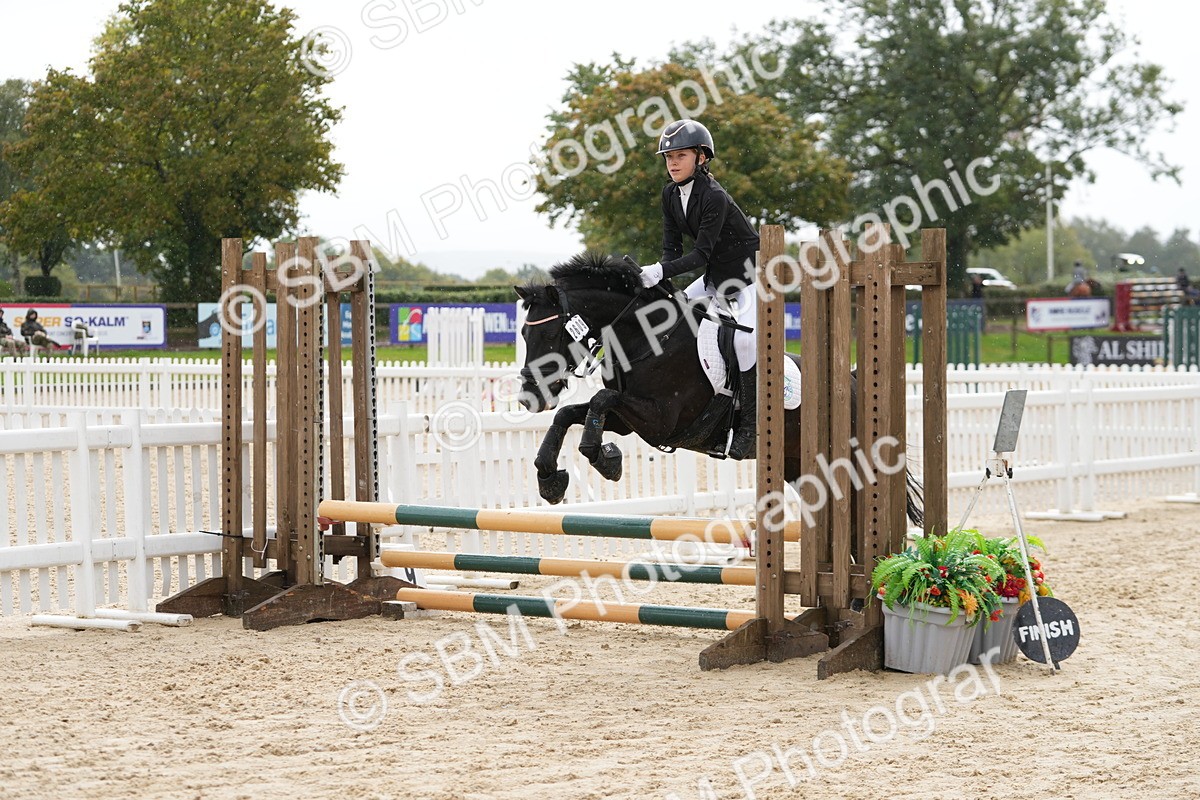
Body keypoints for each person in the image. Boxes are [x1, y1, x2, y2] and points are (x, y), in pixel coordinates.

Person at [637, 119, 761, 459]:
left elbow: (700, 253)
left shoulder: (714, 196)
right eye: (668, 157)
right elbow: (672, 251)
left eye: (680, 155)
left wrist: (661, 270)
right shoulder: (670, 195)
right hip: (715, 277)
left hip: (749, 275)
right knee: (668, 318)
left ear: (701, 158)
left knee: (745, 340)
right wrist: (661, 280)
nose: (673, 163)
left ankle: (749, 426)